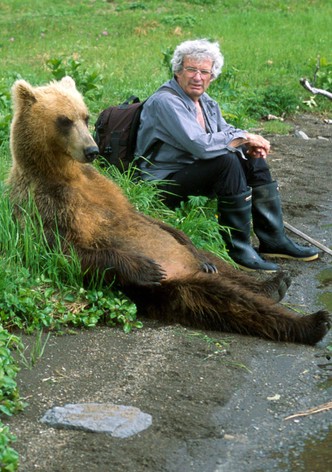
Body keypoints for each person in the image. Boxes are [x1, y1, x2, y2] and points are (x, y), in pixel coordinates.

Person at [135, 39, 318, 271]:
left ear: (212, 76)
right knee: (226, 160)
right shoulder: (166, 101)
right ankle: (238, 248)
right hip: (163, 184)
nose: (197, 77)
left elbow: (226, 133)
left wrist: (248, 143)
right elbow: (200, 145)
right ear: (178, 71)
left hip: (193, 173)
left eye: (204, 72)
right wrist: (243, 137)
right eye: (191, 70)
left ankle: (274, 239)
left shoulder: (207, 102)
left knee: (250, 154)